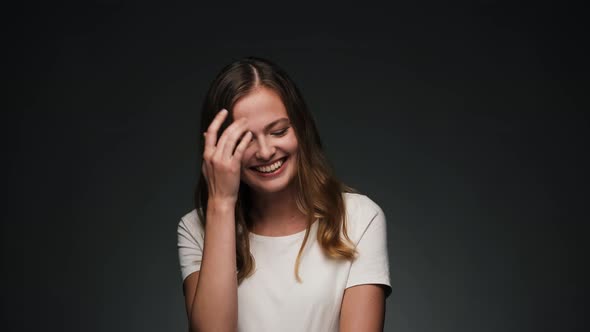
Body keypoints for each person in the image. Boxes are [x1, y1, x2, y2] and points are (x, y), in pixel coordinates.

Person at [177, 56, 391, 332]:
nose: (265, 152)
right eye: (245, 140)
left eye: (278, 131)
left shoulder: (359, 218)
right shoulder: (196, 228)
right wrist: (221, 204)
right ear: (220, 147)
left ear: (301, 128)